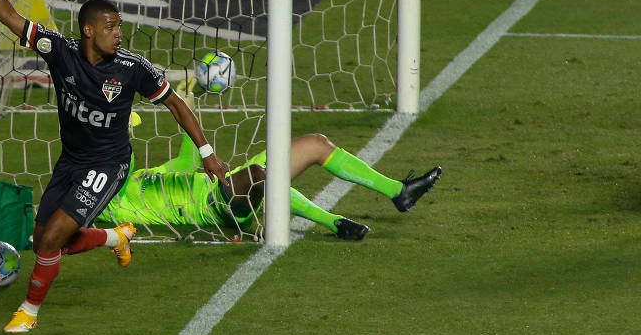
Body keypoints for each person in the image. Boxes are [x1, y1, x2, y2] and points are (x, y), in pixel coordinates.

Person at [0, 0, 229, 333]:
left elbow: (176, 103)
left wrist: (206, 151)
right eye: (110, 26)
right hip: (71, 160)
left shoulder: (132, 68)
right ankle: (115, 238)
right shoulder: (60, 51)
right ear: (88, 31)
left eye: (119, 26)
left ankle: (28, 313)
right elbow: (10, 18)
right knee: (45, 241)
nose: (118, 33)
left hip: (109, 163)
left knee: (51, 239)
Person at [95, 85, 441, 240]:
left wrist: (191, 95)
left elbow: (189, 160)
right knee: (260, 175)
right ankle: (332, 221)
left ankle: (397, 192)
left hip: (226, 182)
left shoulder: (147, 177)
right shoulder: (111, 202)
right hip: (220, 207)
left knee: (316, 144)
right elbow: (117, 162)